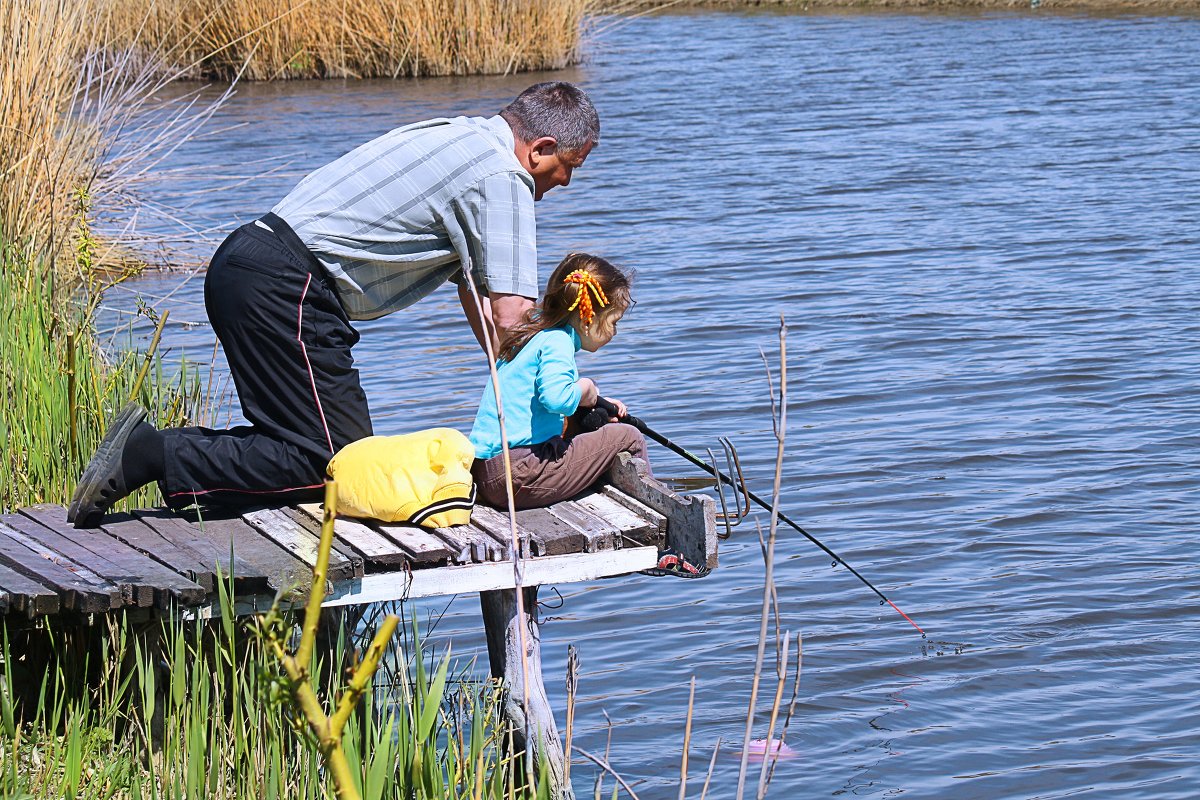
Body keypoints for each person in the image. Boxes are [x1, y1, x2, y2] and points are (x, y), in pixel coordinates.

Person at [69, 82, 599, 528]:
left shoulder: (460, 136)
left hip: (248, 263)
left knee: (307, 446)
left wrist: (514, 387)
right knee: (336, 465)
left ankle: (167, 471)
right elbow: (512, 314)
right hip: (290, 285)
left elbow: (480, 298)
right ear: (540, 148)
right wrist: (566, 393)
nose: (567, 182)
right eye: (570, 166)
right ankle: (151, 454)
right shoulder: (504, 177)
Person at [469, 252, 651, 510]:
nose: (615, 332)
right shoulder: (558, 341)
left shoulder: (532, 335)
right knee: (628, 436)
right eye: (614, 322)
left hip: (486, 474)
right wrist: (587, 388)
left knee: (589, 424)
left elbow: (542, 400)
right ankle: (659, 516)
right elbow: (556, 399)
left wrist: (596, 403)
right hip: (518, 475)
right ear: (587, 318)